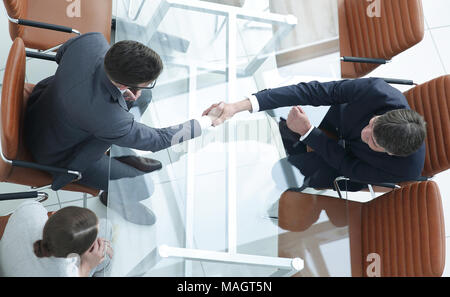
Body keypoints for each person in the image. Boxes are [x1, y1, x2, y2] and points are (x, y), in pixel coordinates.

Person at [25, 32, 218, 224]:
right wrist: (206, 121)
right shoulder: (110, 118)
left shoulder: (92, 40)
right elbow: (158, 140)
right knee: (143, 187)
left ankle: (120, 148)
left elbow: (61, 56)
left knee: (144, 97)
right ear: (123, 83)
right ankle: (111, 198)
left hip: (42, 104)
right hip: (57, 154)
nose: (146, 86)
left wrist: (118, 91)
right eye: (147, 84)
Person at [203, 78, 427, 191]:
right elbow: (315, 91)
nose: (364, 132)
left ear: (389, 152)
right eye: (372, 123)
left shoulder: (405, 169)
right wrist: (239, 106)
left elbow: (348, 166)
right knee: (276, 113)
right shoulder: (378, 92)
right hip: (337, 123)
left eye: (372, 140)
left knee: (280, 174)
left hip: (343, 166)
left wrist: (309, 133)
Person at [0, 201, 113, 277]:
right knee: (106, 239)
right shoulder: (65, 272)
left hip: (8, 261)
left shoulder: (30, 210)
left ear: (54, 213)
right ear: (75, 256)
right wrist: (88, 265)